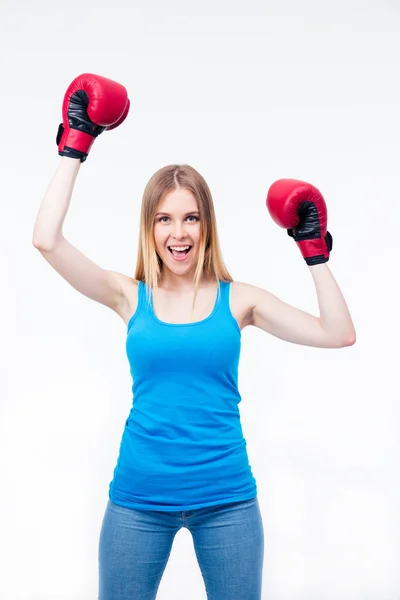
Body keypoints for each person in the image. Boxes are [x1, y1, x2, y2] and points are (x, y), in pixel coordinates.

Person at [32, 74, 356, 600]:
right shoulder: (127, 295)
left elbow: (338, 334)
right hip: (138, 499)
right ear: (149, 227)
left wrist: (313, 249)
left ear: (207, 225)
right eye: (164, 219)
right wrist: (75, 143)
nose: (177, 233)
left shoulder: (241, 299)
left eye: (190, 218)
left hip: (226, 499)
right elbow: (46, 240)